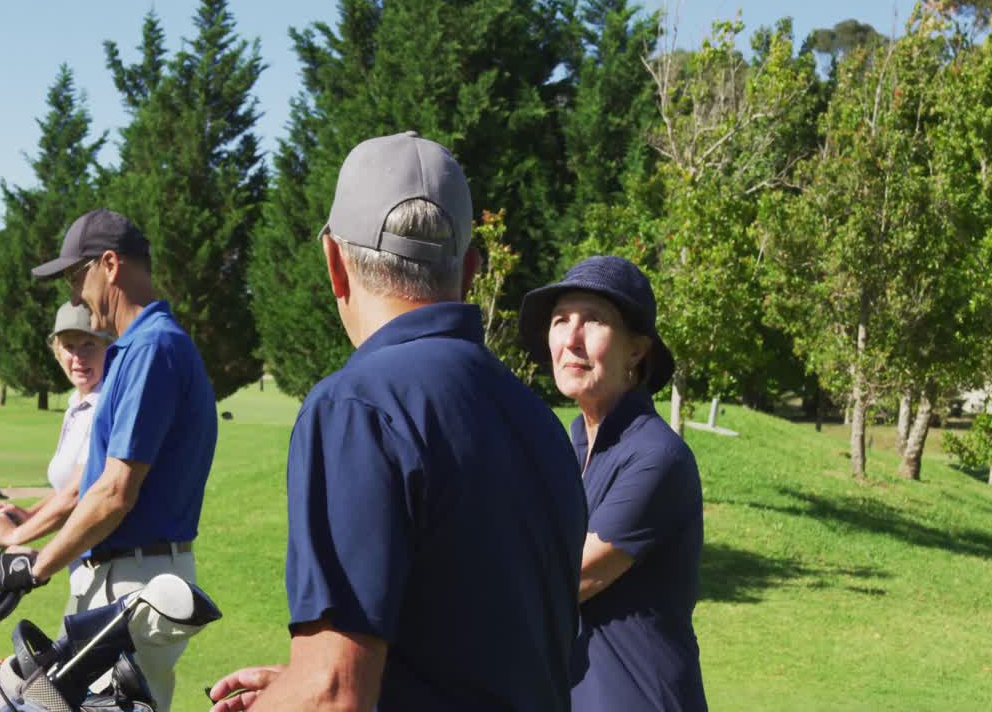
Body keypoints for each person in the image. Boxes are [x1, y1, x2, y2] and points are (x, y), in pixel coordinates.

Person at [207, 132, 587, 712]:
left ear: (335, 263)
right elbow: (470, 658)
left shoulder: (355, 407)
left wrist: (309, 688)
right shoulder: (537, 418)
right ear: (469, 271)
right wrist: (294, 684)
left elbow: (336, 694)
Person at [0, 208, 218, 711]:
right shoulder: (136, 352)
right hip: (121, 579)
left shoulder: (152, 350)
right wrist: (21, 534)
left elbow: (116, 494)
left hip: (135, 583)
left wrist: (39, 566)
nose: (74, 296)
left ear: (110, 265)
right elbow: (82, 487)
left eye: (77, 278)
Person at [518, 255, 708, 712]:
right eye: (562, 320)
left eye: (595, 321)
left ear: (637, 350)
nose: (572, 339)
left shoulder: (657, 457)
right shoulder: (570, 445)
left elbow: (567, 578)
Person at [0, 302, 112, 615]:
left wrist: (15, 535)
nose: (78, 357)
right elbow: (64, 489)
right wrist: (29, 514)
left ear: (109, 347)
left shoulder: (104, 405)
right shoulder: (77, 404)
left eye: (89, 345)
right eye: (68, 346)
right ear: (57, 352)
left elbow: (78, 493)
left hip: (112, 568)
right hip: (87, 564)